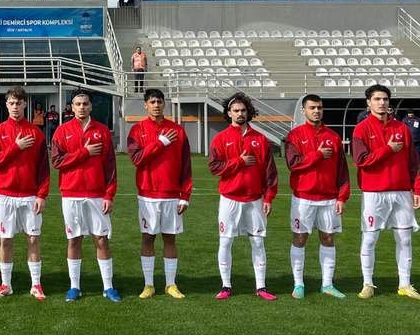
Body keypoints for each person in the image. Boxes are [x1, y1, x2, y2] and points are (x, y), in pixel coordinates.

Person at [352, 85, 420, 300]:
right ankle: (367, 283)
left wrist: (417, 188)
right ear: (368, 103)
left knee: (404, 238)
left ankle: (405, 284)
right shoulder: (361, 129)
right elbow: (360, 160)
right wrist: (387, 149)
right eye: (377, 99)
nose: (382, 102)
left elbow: (413, 161)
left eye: (385, 99)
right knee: (370, 238)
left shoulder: (401, 128)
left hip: (401, 192)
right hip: (374, 192)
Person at [208, 92, 278, 300]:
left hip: (255, 199)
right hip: (230, 199)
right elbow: (214, 167)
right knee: (226, 241)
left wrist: (269, 197)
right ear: (229, 113)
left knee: (258, 242)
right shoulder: (221, 138)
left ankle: (261, 287)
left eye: (243, 110)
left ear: (249, 112)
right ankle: (226, 285)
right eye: (236, 111)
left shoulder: (260, 139)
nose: (240, 114)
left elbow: (270, 171)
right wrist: (238, 162)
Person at [53, 87, 119, 302]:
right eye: (78, 104)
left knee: (101, 239)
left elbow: (110, 166)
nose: (82, 107)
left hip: (97, 194)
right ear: (71, 107)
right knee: (74, 239)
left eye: (85, 104)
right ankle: (74, 287)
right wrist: (84, 153)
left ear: (91, 106)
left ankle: (108, 287)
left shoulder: (102, 131)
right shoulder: (61, 131)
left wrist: (109, 195)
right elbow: (57, 161)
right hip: (70, 194)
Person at [0, 86, 50, 300]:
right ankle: (6, 284)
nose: (15, 107)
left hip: (30, 196)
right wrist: (15, 147)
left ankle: (36, 284)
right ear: (6, 105)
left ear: (25, 104)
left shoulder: (36, 132)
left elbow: (43, 168)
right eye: (11, 103)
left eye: (19, 103)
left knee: (33, 239)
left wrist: (42, 195)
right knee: (6, 240)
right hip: (5, 195)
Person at [127, 89, 192, 299]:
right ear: (145, 105)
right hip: (147, 195)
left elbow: (186, 166)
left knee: (170, 238)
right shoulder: (136, 130)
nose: (156, 105)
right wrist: (161, 142)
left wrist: (185, 196)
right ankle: (149, 285)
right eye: (153, 101)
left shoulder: (178, 131)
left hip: (172, 195)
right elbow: (137, 159)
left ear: (165, 104)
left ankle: (170, 284)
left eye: (160, 101)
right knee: (148, 237)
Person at [285, 95, 350, 300]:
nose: (316, 111)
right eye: (312, 107)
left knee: (328, 238)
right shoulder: (295, 135)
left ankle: (327, 284)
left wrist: (342, 197)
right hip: (303, 197)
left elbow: (342, 170)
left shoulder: (333, 136)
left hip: (329, 198)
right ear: (303, 111)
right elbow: (293, 163)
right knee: (300, 238)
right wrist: (318, 155)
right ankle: (298, 284)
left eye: (319, 107)